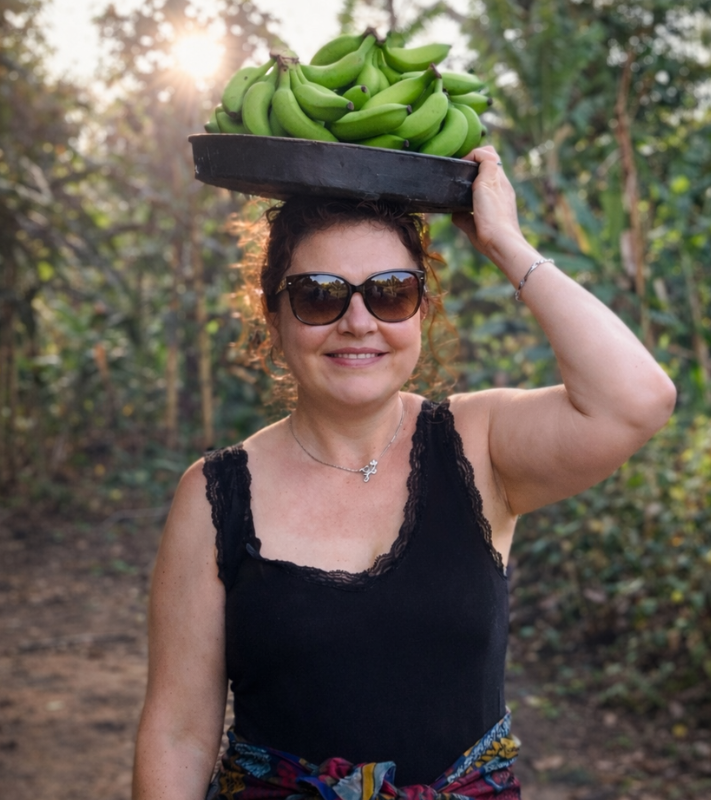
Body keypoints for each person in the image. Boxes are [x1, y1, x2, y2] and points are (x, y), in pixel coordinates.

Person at [131, 145, 676, 800]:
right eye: (318, 296)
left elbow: (636, 400)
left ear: (423, 308)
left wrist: (505, 243)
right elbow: (178, 734)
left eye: (391, 293)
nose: (357, 323)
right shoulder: (215, 494)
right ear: (273, 315)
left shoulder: (480, 445)